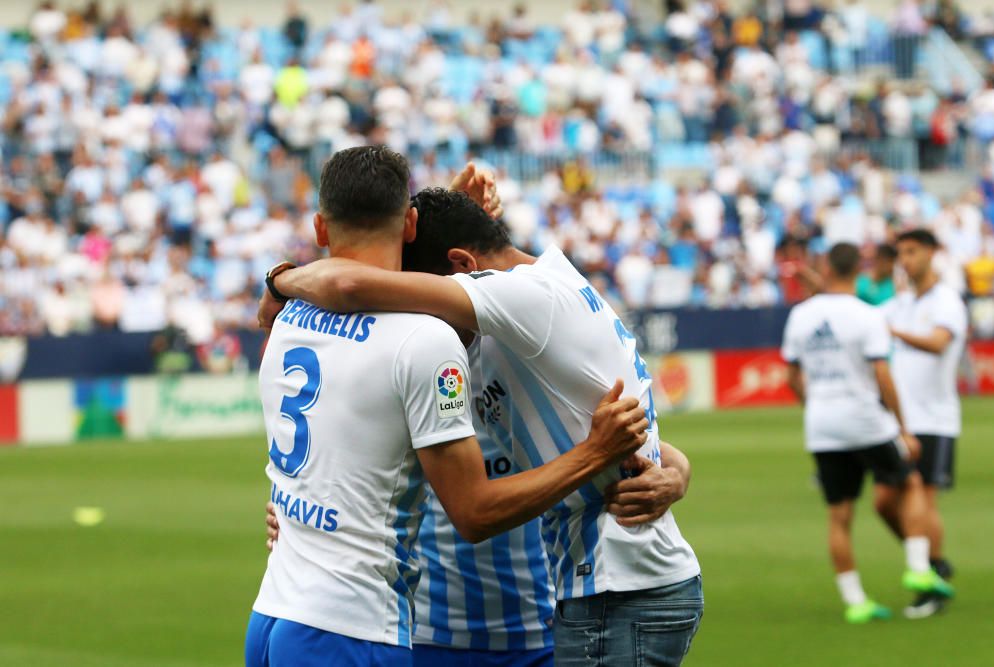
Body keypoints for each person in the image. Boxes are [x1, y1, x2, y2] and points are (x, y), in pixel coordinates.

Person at [261, 186, 703, 666]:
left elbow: (351, 284)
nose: (429, 316)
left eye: (432, 297)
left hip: (586, 602)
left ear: (464, 269)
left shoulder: (528, 301)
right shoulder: (496, 332)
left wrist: (279, 281)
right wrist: (306, 513)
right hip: (441, 622)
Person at [780, 242, 954, 624]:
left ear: (825, 267)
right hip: (864, 418)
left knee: (839, 515)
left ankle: (856, 601)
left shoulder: (800, 315)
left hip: (822, 423)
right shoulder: (867, 314)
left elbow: (792, 376)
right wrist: (904, 429)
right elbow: (882, 374)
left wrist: (813, 406)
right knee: (909, 482)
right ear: (858, 269)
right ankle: (919, 565)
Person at [883, 229, 968, 618]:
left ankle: (931, 577)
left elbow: (938, 344)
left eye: (913, 251)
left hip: (934, 419)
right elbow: (863, 319)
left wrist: (893, 333)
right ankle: (934, 561)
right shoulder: (900, 303)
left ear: (933, 253)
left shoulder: (946, 301)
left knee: (923, 500)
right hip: (900, 422)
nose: (906, 260)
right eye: (901, 253)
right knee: (884, 502)